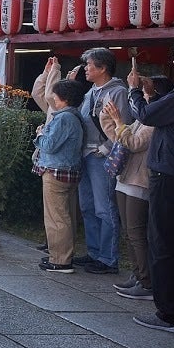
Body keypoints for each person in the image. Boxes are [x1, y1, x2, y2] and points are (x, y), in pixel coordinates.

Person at [104, 75, 173, 300]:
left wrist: (118, 120)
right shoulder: (146, 117)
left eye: (146, 92)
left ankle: (146, 281)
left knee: (136, 233)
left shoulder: (156, 120)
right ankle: (138, 274)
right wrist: (110, 119)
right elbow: (121, 138)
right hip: (126, 177)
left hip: (140, 179)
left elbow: (133, 143)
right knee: (128, 231)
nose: (142, 97)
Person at [127, 46, 174, 333]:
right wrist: (153, 96)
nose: (173, 59)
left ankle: (168, 311)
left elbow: (145, 115)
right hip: (169, 171)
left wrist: (135, 91)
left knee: (162, 242)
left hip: (168, 174)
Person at [71, 48, 132, 274]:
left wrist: (105, 148)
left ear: (103, 68)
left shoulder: (118, 92)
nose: (86, 69)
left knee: (104, 208)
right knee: (87, 206)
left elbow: (124, 124)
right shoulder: (91, 92)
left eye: (89, 65)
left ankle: (108, 259)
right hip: (85, 155)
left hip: (101, 157)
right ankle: (94, 252)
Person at [33, 79, 86, 273]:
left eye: (55, 95)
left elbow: (49, 145)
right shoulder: (76, 116)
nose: (53, 98)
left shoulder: (64, 118)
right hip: (69, 171)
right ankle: (62, 256)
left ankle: (60, 260)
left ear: (64, 98)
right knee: (66, 215)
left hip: (56, 172)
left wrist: (40, 133)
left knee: (56, 217)